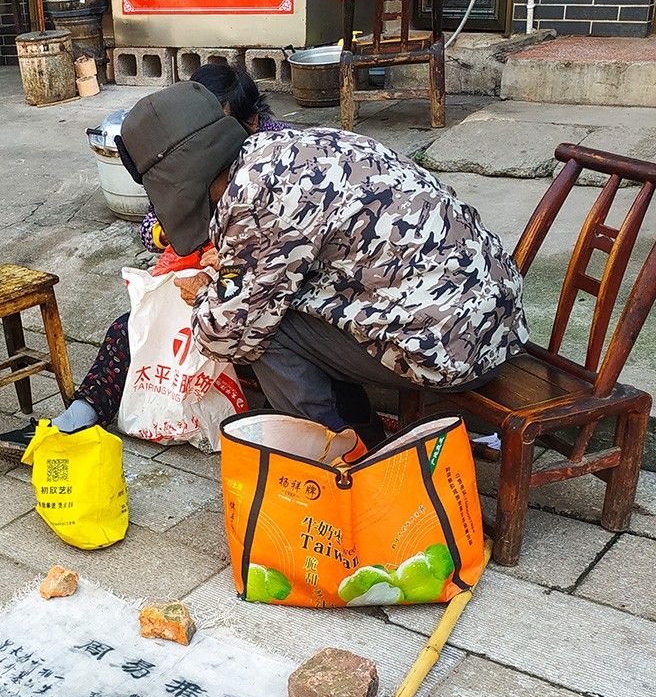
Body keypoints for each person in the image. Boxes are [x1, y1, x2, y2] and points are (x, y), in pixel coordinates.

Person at [107, 81, 528, 436]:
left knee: (262, 334)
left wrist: (204, 296)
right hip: (497, 321)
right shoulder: (284, 145)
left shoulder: (251, 198)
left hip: (455, 350)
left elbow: (227, 333)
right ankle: (363, 433)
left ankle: (337, 457)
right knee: (277, 305)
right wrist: (239, 273)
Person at [0, 68, 315, 460]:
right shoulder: (185, 160)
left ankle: (308, 446)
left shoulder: (269, 158)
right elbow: (152, 225)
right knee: (132, 328)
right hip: (199, 269)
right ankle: (74, 422)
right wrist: (188, 240)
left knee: (249, 328)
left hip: (273, 279)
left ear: (248, 121)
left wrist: (223, 260)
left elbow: (261, 281)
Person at [138, 63, 290, 253]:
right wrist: (167, 232)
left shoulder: (278, 153)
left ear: (252, 121)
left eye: (217, 128)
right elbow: (149, 226)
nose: (206, 138)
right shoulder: (185, 150)